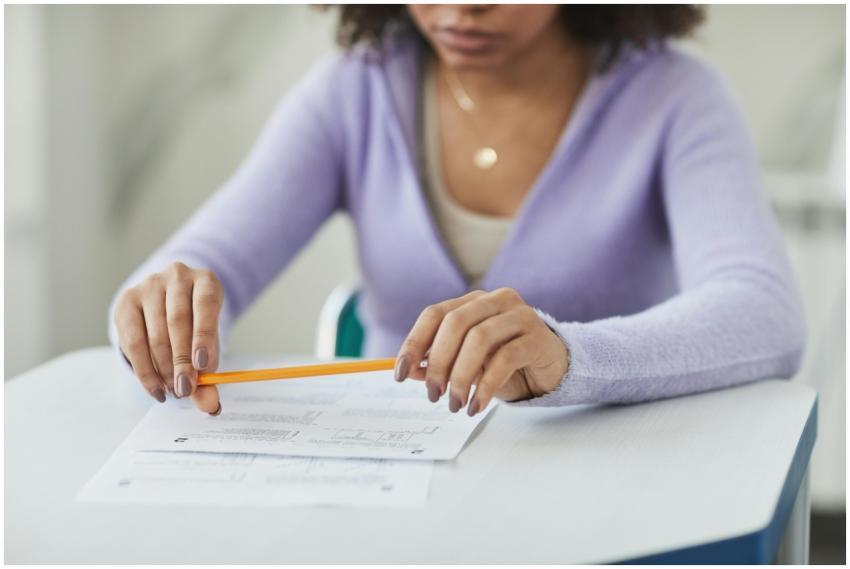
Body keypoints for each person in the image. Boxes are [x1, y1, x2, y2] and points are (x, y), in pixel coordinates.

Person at [109, 5, 805, 418]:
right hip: (393, 497)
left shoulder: (675, 96)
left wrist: (569, 358)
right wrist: (163, 316)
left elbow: (763, 308)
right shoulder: (355, 91)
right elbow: (192, 266)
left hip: (604, 489)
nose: (463, 7)